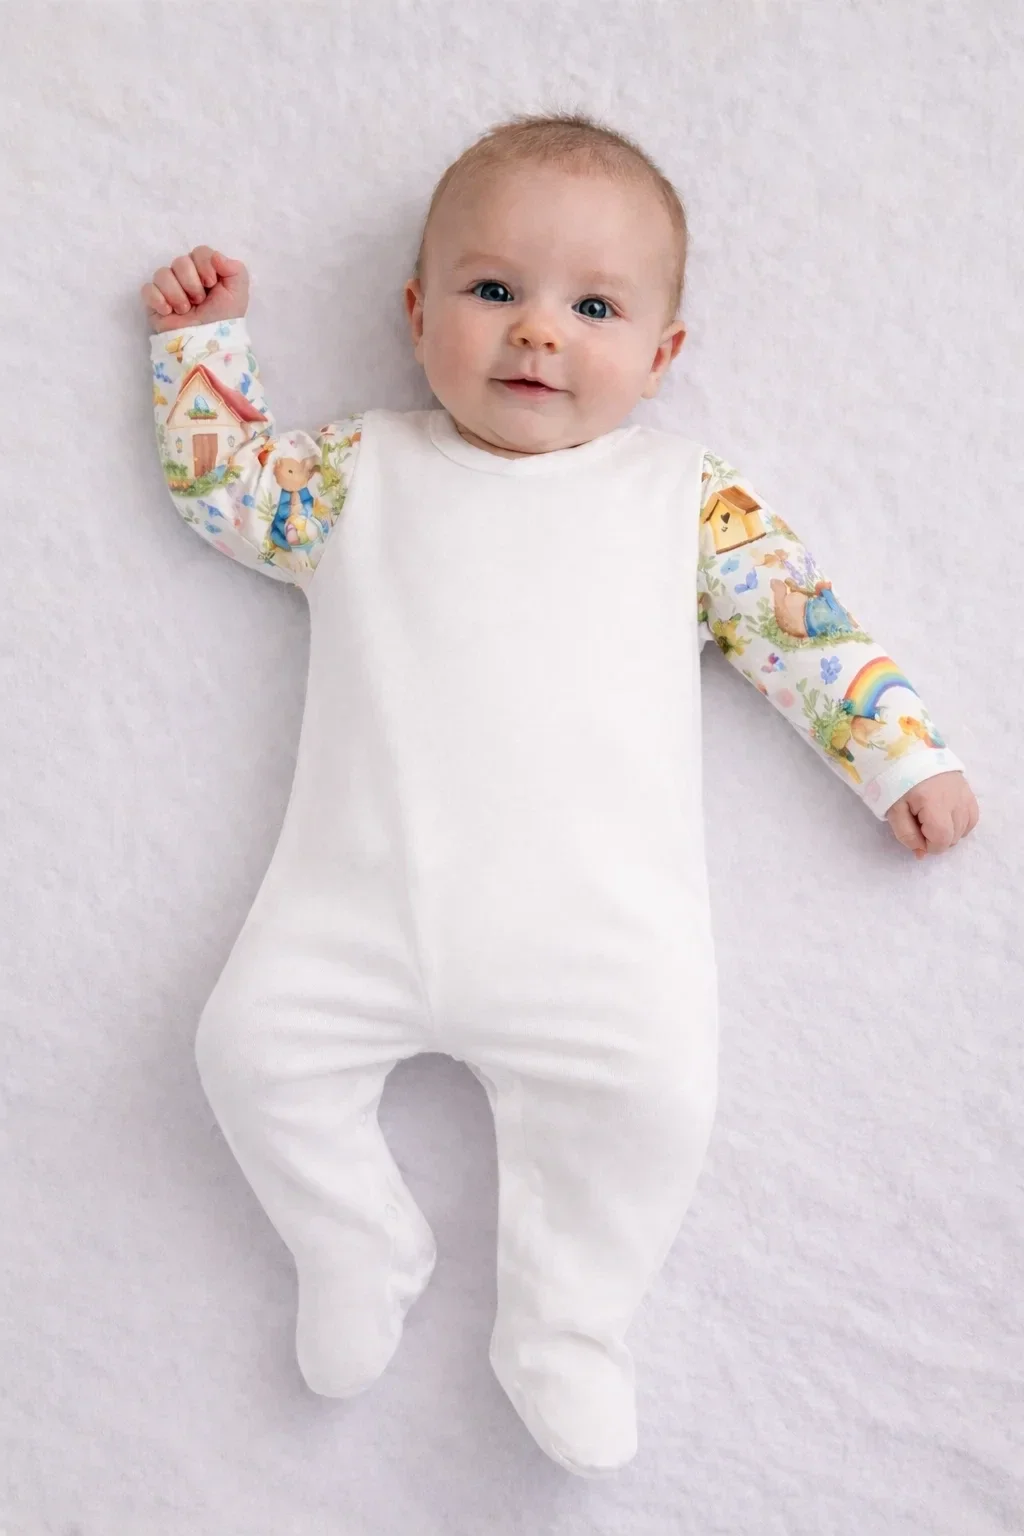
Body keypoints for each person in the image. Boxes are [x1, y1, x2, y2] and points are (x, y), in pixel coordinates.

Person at [140, 111, 979, 1477]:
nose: (537, 331)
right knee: (246, 1050)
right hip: (353, 912)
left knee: (651, 1104)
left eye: (594, 307)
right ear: (419, 315)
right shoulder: (357, 471)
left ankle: (568, 1323)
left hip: (599, 942)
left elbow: (804, 632)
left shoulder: (684, 500)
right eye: (493, 289)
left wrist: (904, 759)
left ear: (662, 355)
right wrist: (200, 349)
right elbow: (224, 491)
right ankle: (354, 1237)